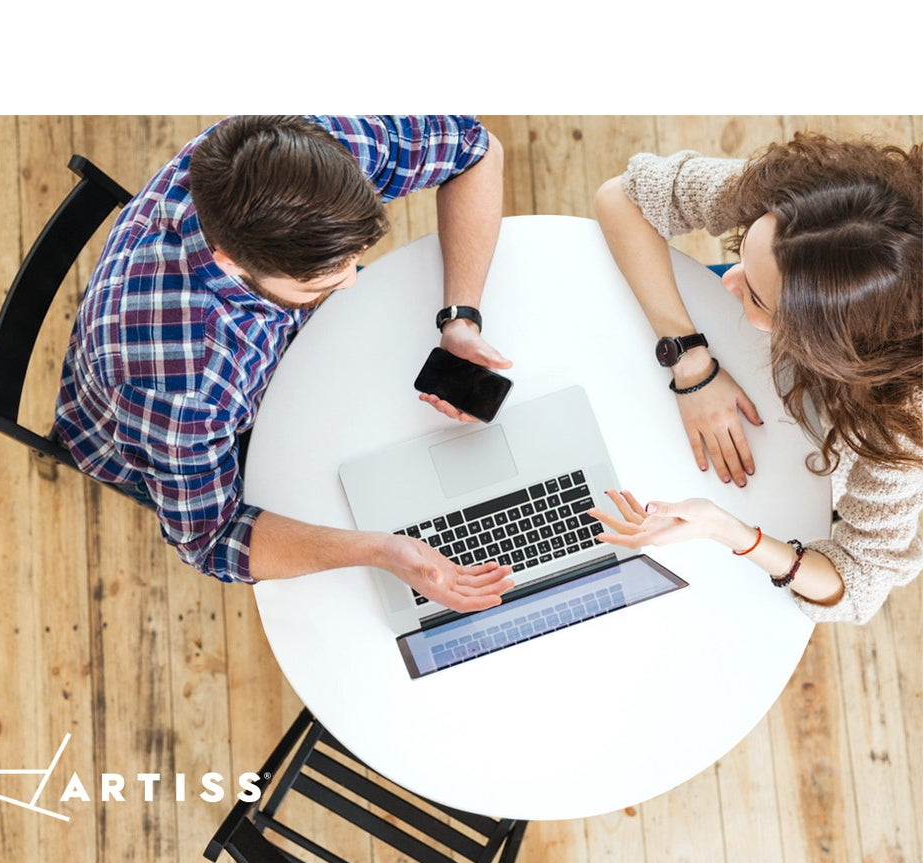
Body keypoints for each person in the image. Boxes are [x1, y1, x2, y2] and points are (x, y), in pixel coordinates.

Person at [55, 116, 514, 613]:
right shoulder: (179, 389)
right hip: (187, 444)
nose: (350, 281)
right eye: (320, 277)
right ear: (233, 262)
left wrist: (460, 318)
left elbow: (476, 149)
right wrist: (381, 550)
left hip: (278, 350)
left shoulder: (298, 155)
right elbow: (215, 539)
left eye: (354, 256)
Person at [591, 132, 922, 625]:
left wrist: (730, 531)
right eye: (745, 250)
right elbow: (623, 196)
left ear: (827, 345)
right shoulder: (815, 207)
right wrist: (691, 361)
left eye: (758, 297)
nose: (728, 278)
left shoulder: (902, 422)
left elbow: (857, 581)